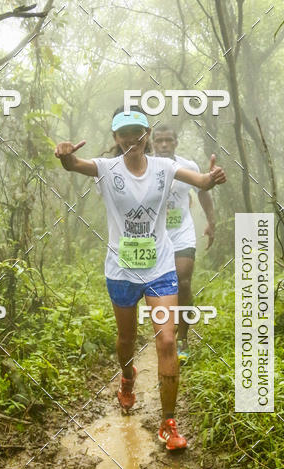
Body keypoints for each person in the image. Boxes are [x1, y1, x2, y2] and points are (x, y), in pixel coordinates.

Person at [54, 106, 226, 451]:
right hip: (121, 271)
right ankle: (128, 377)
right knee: (126, 340)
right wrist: (64, 155)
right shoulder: (106, 168)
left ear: (146, 136)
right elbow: (74, 165)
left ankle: (168, 424)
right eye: (124, 134)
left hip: (160, 268)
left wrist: (211, 178)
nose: (132, 139)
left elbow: (200, 182)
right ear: (116, 139)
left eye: (138, 132)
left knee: (165, 341)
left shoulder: (165, 167)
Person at [152, 125, 217, 364]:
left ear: (176, 143)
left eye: (169, 140)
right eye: (159, 141)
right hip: (153, 237)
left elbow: (202, 191)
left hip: (182, 234)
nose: (164, 145)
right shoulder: (144, 166)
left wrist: (211, 222)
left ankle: (183, 338)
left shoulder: (188, 166)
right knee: (154, 286)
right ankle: (162, 331)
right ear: (152, 143)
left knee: (184, 280)